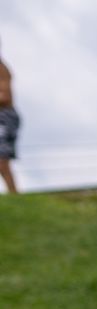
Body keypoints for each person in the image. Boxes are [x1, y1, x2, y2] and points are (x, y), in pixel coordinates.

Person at [0, 38, 18, 195]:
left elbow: (4, 97)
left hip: (5, 117)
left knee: (1, 161)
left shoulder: (1, 68)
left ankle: (14, 196)